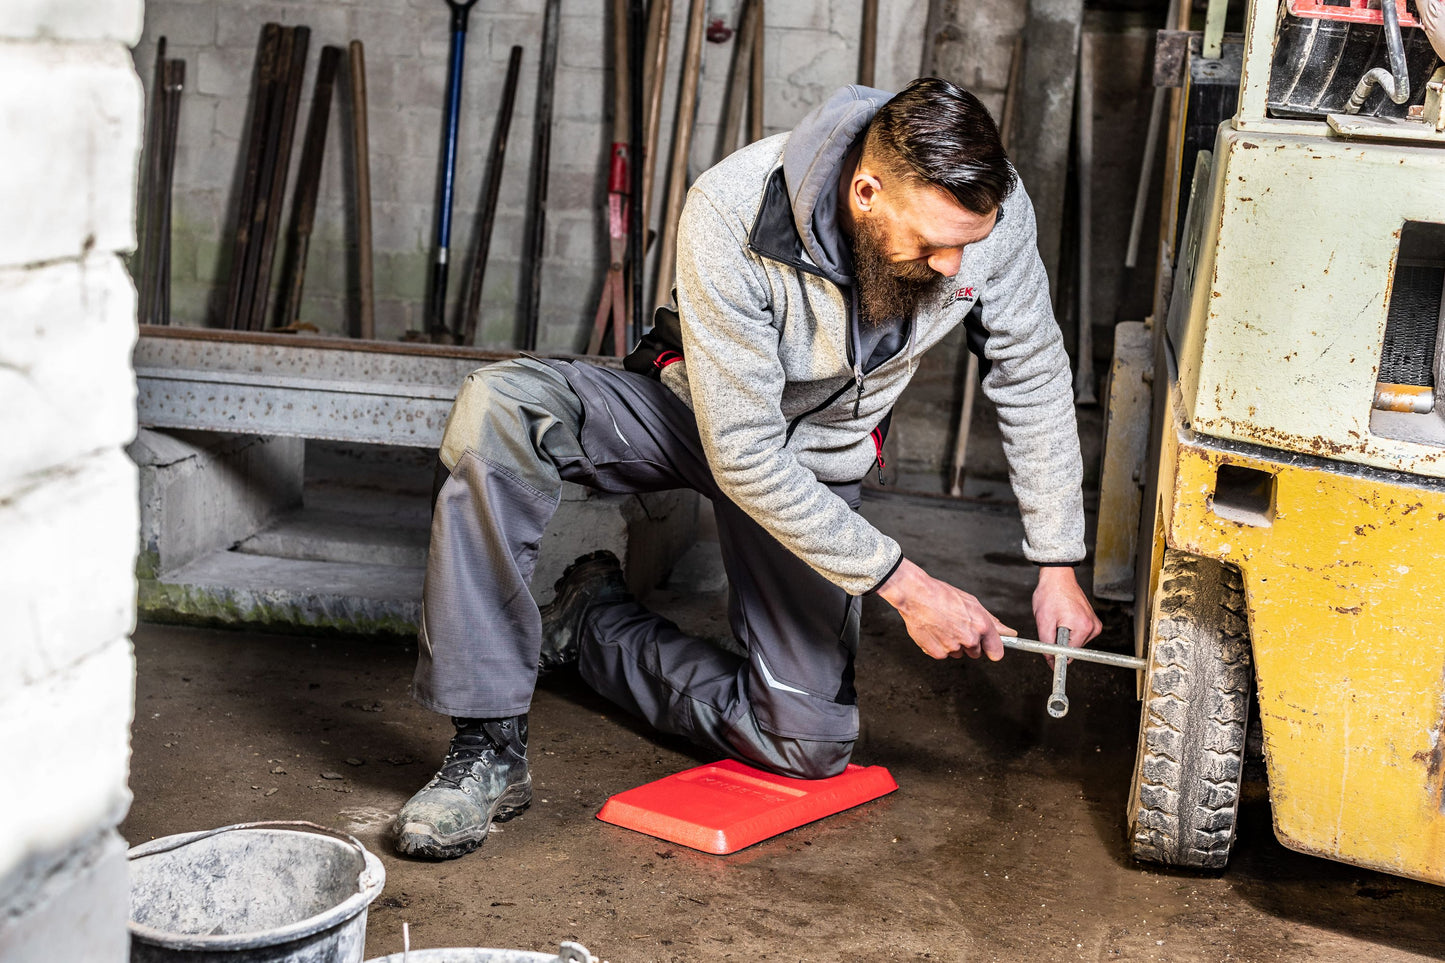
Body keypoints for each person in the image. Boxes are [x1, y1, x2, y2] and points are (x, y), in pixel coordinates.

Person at [393, 78, 1103, 859]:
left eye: (968, 243)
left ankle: (588, 623)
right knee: (498, 408)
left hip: (819, 458)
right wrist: (909, 586)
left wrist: (1057, 561)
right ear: (865, 193)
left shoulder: (981, 214)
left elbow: (1030, 370)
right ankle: (485, 746)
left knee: (806, 742)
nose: (952, 265)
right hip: (693, 417)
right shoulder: (730, 209)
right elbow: (743, 453)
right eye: (932, 244)